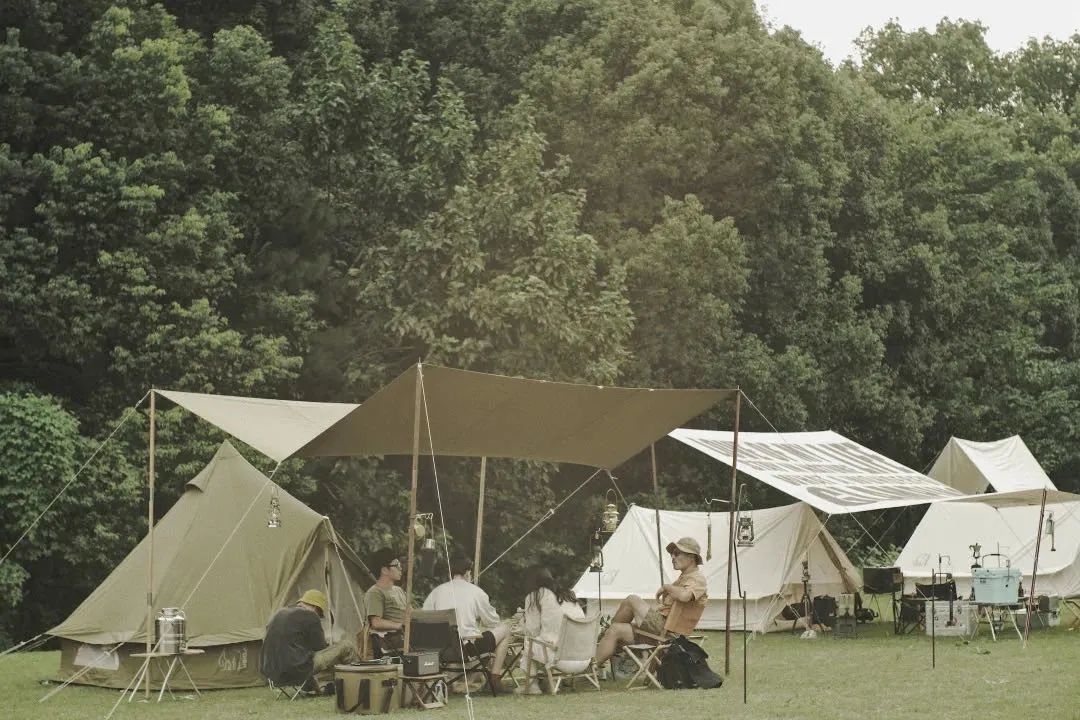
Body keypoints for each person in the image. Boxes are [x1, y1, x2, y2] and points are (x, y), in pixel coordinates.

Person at [593, 536, 707, 668]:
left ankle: (605, 644)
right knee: (614, 629)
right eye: (672, 554)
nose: (672, 557)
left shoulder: (697, 578)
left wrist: (666, 587)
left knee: (632, 599)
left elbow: (685, 596)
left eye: (676, 553)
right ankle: (592, 668)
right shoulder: (684, 577)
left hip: (668, 633)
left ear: (691, 557)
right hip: (661, 631)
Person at [423, 557, 513, 690]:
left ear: (451, 573)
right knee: (505, 629)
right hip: (467, 649)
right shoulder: (476, 591)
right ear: (467, 573)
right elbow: (493, 621)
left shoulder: (436, 592)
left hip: (440, 650)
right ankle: (494, 678)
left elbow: (426, 619)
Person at [260, 588, 358, 691]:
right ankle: (359, 681)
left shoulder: (279, 613)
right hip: (296, 669)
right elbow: (320, 648)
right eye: (319, 615)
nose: (319, 618)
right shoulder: (310, 615)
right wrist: (332, 648)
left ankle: (318, 686)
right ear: (316, 608)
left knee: (304, 657)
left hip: (272, 672)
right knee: (346, 646)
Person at [516, 567, 585, 695]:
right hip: (583, 658)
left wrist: (521, 622)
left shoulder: (536, 595)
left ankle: (533, 685)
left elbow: (532, 631)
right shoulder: (568, 594)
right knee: (548, 640)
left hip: (560, 659)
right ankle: (549, 681)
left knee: (529, 641)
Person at [363, 548, 409, 656]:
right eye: (396, 565)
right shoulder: (375, 592)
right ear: (384, 570)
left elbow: (412, 613)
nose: (401, 568)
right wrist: (401, 625)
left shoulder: (399, 590)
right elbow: (376, 623)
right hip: (392, 642)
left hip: (408, 637)